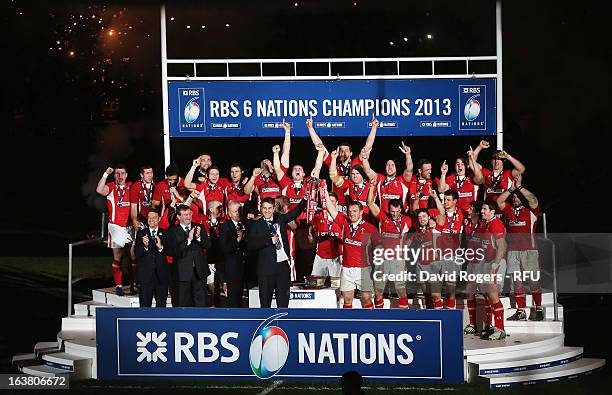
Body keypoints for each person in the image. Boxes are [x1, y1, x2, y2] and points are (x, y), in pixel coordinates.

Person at [307, 115, 379, 212]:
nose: (343, 153)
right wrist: (310, 128)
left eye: (346, 150)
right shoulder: (334, 162)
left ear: (351, 153)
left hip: (353, 206)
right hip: (337, 205)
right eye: (341, 150)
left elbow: (368, 146)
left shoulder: (356, 163)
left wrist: (374, 128)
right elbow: (320, 146)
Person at [497, 173, 543, 321]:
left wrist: (520, 187)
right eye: (514, 197)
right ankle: (521, 311)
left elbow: (534, 200)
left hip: (529, 250)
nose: (515, 198)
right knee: (517, 281)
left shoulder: (531, 210)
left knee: (533, 280)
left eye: (518, 197)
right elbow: (499, 201)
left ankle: (538, 308)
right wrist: (511, 189)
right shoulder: (509, 210)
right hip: (513, 252)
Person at [247, 196, 308, 308]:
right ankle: (267, 325)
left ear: (274, 208)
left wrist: (305, 198)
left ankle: (283, 325)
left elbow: (295, 213)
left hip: (282, 267)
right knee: (265, 304)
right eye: (264, 208)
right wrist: (268, 241)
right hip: (266, 269)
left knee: (283, 303)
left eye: (269, 208)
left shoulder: (279, 218)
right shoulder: (256, 225)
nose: (267, 211)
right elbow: (250, 245)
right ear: (261, 208)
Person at [324, 189, 380, 309]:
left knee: (366, 299)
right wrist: (323, 191)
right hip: (347, 269)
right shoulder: (344, 223)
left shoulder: (370, 228)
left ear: (361, 212)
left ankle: (370, 325)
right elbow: (331, 208)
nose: (352, 214)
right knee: (347, 299)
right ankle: (348, 326)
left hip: (364, 269)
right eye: (350, 211)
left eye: (355, 211)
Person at [367, 177, 412, 309]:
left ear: (401, 209)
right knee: (378, 289)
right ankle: (378, 319)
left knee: (400, 289)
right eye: (392, 211)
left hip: (399, 259)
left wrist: (408, 243)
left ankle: (405, 318)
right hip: (383, 259)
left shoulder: (407, 220)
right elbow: (370, 202)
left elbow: (416, 232)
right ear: (389, 209)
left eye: (398, 212)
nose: (395, 214)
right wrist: (371, 186)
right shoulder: (383, 217)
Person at [162, 205, 211, 307]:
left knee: (200, 304)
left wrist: (198, 238)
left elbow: (207, 245)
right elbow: (172, 251)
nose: (188, 217)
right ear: (178, 217)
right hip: (182, 274)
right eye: (185, 215)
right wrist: (188, 240)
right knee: (183, 304)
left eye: (189, 214)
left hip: (199, 273)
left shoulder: (199, 227)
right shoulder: (172, 231)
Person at [96, 165, 133, 296]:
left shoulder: (131, 186)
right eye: (117, 173)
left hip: (130, 227)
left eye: (122, 173)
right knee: (118, 258)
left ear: (126, 175)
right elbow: (99, 189)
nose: (120, 176)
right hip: (116, 228)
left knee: (134, 257)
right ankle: (118, 285)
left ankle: (135, 284)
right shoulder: (111, 186)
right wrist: (105, 174)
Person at [431, 188, 464, 309]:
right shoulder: (437, 212)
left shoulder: (462, 213)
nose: (445, 202)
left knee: (451, 288)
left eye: (448, 200)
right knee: (436, 289)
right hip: (438, 255)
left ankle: (450, 315)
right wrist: (429, 221)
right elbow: (421, 214)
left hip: (453, 255)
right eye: (444, 199)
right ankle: (438, 314)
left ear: (455, 201)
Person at [479, 199, 508, 340]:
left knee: (493, 294)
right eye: (482, 209)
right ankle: (491, 327)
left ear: (492, 211)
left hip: (495, 263)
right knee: (487, 295)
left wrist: (495, 266)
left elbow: (502, 246)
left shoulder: (496, 224)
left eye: (484, 209)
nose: (482, 211)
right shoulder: (487, 224)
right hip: (487, 262)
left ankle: (501, 329)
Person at [360, 141, 413, 213]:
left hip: (400, 216)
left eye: (392, 165)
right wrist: (364, 157)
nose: (390, 167)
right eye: (388, 165)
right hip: (383, 218)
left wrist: (408, 155)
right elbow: (368, 171)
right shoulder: (380, 179)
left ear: (396, 167)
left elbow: (409, 169)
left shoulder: (402, 180)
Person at [129, 165, 156, 294]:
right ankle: (135, 281)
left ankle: (152, 279)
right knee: (137, 251)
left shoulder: (155, 185)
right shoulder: (136, 186)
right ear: (141, 175)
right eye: (146, 173)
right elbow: (134, 206)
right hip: (141, 221)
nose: (149, 175)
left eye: (151, 173)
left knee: (153, 249)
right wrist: (135, 220)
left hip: (153, 221)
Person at [134, 209, 169, 308]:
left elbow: (171, 251)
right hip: (145, 276)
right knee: (145, 306)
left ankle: (161, 324)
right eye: (149, 218)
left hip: (161, 276)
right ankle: (144, 324)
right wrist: (145, 246)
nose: (151, 220)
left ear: (159, 219)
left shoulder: (165, 233)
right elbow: (137, 253)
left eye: (154, 218)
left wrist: (160, 247)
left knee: (161, 306)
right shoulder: (141, 234)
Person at [308, 192, 343, 289]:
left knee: (337, 287)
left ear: (337, 202)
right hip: (320, 257)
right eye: (328, 201)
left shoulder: (341, 219)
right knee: (314, 286)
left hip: (335, 258)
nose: (329, 204)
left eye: (332, 201)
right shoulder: (318, 217)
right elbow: (311, 236)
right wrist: (311, 235)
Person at [463, 200, 485, 334]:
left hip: (482, 263)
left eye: (471, 209)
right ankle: (472, 324)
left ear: (477, 212)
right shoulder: (470, 224)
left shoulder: (483, 225)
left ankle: (488, 325)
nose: (468, 211)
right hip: (471, 263)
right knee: (469, 291)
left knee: (485, 292)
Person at [219, 200, 248, 307]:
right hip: (233, 268)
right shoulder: (224, 227)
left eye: (239, 211)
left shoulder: (247, 224)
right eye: (235, 212)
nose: (238, 214)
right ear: (229, 213)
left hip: (247, 267)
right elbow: (224, 248)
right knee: (234, 298)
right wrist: (238, 239)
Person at [202, 200, 225, 307]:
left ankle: (222, 304)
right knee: (210, 283)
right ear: (211, 210)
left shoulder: (224, 222)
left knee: (223, 283)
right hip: (208, 258)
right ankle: (214, 303)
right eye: (218, 207)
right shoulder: (202, 220)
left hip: (221, 258)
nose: (221, 209)